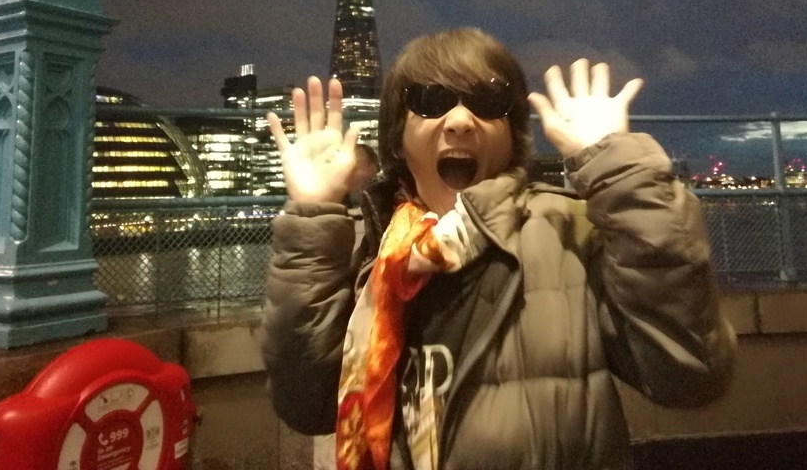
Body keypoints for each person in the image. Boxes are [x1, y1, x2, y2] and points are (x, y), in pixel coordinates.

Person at [262, 28, 735, 470]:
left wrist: (620, 171)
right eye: (431, 100)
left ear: (512, 140)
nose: (462, 120)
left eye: (488, 101)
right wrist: (311, 214)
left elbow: (689, 373)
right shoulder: (367, 246)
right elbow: (306, 404)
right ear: (397, 139)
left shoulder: (566, 231)